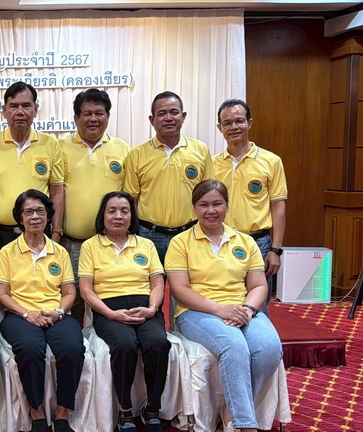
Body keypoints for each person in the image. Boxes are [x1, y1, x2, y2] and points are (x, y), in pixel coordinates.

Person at [167, 180, 282, 432]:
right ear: (195, 208)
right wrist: (219, 310)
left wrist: (248, 310)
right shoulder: (180, 242)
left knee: (270, 347)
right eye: (203, 205)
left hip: (243, 309)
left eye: (217, 204)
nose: (211, 210)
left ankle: (233, 408)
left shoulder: (245, 241)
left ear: (227, 205)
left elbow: (259, 285)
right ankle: (244, 424)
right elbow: (180, 289)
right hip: (197, 312)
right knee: (234, 345)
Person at [79, 191, 169, 432]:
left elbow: (158, 284)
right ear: (103, 215)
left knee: (158, 342)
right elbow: (86, 290)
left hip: (145, 307)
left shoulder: (146, 245)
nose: (118, 216)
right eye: (112, 211)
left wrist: (152, 309)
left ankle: (152, 407)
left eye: (124, 211)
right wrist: (110, 314)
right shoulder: (90, 246)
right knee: (124, 345)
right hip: (109, 309)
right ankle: (125, 410)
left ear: (132, 216)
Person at [0, 189, 84, 432]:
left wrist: (58, 312)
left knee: (72, 347)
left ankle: (62, 412)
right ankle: (36, 412)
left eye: (40, 211)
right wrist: (27, 313)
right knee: (30, 349)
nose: (35, 216)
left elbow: (70, 292)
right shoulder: (7, 252)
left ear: (48, 216)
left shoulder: (60, 251)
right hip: (19, 314)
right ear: (20, 217)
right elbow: (2, 294)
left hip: (56, 314)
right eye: (28, 212)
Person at [60, 88, 131, 325]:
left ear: (108, 116)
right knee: (72, 299)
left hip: (109, 245)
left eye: (99, 113)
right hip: (72, 243)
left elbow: (128, 197)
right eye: (87, 113)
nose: (93, 119)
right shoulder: (60, 147)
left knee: (108, 297)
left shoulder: (122, 149)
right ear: (76, 118)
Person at [0, 81, 65, 255]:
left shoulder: (50, 144)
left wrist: (57, 232)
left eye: (26, 106)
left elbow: (57, 191)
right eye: (13, 106)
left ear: (35, 109)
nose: (20, 112)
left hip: (39, 234)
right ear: (4, 110)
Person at [213, 99, 287, 313]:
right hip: (220, 243)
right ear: (219, 128)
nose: (234, 127)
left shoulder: (271, 161)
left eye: (239, 121)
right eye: (227, 123)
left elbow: (278, 207)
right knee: (222, 301)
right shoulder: (212, 163)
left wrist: (276, 250)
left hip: (258, 243)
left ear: (250, 123)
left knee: (257, 307)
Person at [123, 91, 213, 263]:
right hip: (148, 235)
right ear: (152, 120)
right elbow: (131, 199)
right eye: (162, 113)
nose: (169, 118)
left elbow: (208, 195)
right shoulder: (137, 154)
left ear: (183, 116)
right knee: (149, 280)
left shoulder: (200, 150)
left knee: (191, 279)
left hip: (190, 234)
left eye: (174, 112)